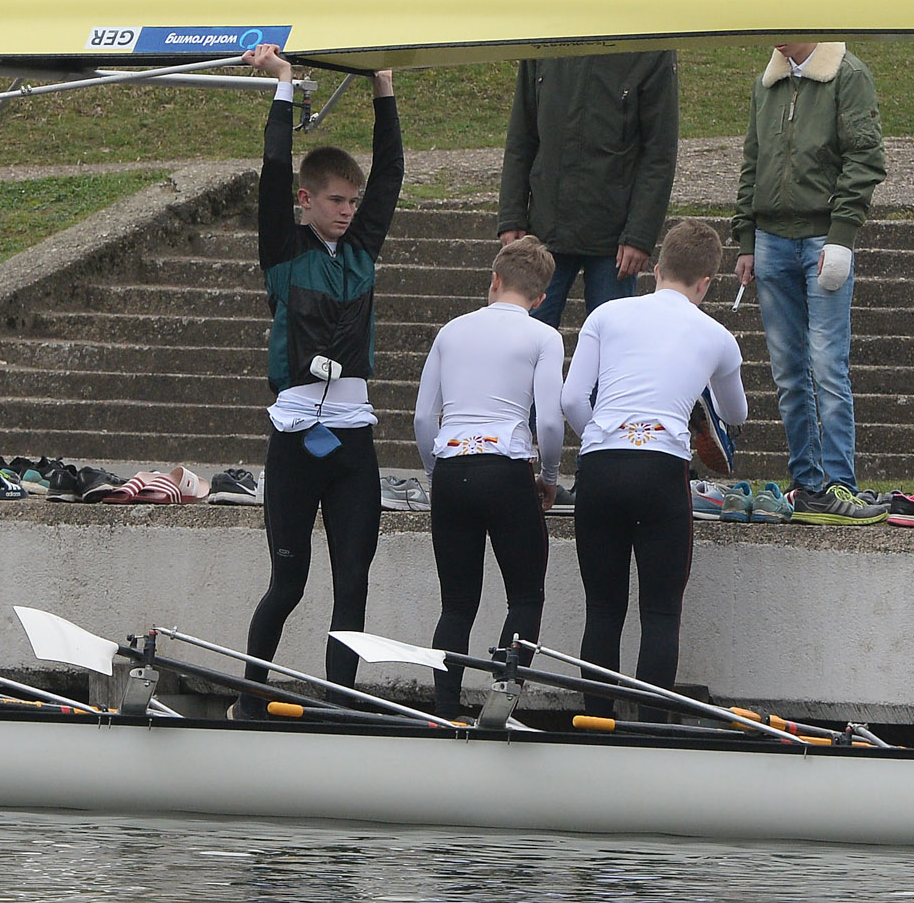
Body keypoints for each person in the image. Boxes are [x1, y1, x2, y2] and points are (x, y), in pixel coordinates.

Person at [238, 43, 402, 697]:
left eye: (352, 201)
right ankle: (250, 697)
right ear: (306, 201)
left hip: (352, 444)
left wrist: (383, 87)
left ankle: (340, 706)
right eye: (336, 200)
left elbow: (390, 173)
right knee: (288, 582)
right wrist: (283, 84)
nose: (348, 210)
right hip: (295, 442)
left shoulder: (362, 251)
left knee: (353, 582)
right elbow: (273, 168)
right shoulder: (281, 251)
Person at [559, 219, 747, 721]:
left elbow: (573, 398)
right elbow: (736, 414)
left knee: (602, 610)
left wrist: (601, 439)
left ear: (657, 268)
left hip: (600, 464)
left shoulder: (607, 313)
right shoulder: (718, 336)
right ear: (706, 283)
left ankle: (593, 725)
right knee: (661, 612)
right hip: (662, 470)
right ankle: (650, 732)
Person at [729, 41, 887, 525]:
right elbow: (752, 160)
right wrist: (746, 237)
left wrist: (842, 236)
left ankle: (840, 481)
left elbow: (865, 157)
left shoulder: (848, 74)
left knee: (826, 364)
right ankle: (808, 483)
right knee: (788, 371)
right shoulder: (769, 81)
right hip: (772, 241)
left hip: (822, 239)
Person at [414, 234, 565, 720]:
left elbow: (422, 420)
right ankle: (502, 700)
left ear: (494, 281)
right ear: (540, 299)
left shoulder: (451, 331)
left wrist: (437, 472)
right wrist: (549, 475)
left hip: (453, 466)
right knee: (525, 595)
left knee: (456, 603)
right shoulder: (543, 336)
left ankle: (444, 707)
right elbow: (548, 421)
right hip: (506, 469)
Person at [496, 0, 679, 328]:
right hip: (546, 229)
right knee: (526, 340)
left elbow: (659, 152)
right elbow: (521, 135)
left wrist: (640, 235)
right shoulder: (545, 40)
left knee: (610, 352)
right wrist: (512, 216)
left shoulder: (650, 47)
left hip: (614, 241)